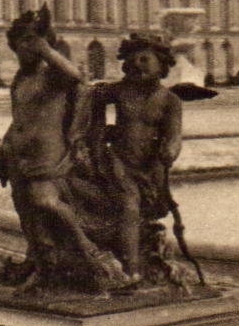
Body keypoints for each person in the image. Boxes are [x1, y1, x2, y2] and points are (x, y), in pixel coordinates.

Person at [0, 7, 126, 290]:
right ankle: (44, 267)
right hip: (19, 155)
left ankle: (96, 256)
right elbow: (19, 120)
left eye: (32, 42)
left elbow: (76, 76)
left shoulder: (53, 75)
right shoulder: (19, 80)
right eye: (21, 44)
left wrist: (46, 50)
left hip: (48, 155)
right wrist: (2, 156)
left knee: (46, 202)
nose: (26, 49)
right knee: (29, 217)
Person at [73, 31, 184, 282]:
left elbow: (175, 135)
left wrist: (171, 150)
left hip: (150, 168)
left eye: (144, 60)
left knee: (139, 208)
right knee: (130, 206)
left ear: (162, 65)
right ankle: (131, 270)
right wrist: (97, 136)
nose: (137, 65)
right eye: (133, 60)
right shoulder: (121, 91)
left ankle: (134, 259)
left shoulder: (170, 100)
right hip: (118, 163)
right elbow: (91, 97)